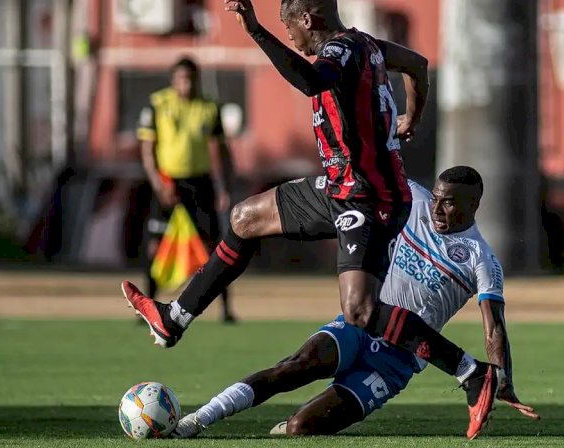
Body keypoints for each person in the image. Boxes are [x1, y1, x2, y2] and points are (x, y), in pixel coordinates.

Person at [123, 0, 498, 437]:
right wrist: (411, 116)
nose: (291, 40)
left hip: (369, 197)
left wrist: (257, 32)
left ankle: (470, 372)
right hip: (339, 187)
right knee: (245, 218)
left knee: (359, 309)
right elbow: (417, 64)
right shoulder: (368, 46)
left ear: (306, 19)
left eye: (289, 29)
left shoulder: (339, 53)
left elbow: (311, 80)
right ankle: (175, 317)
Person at [170, 167, 539, 440]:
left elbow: (494, 327)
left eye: (449, 203)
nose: (438, 208)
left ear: (473, 204)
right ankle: (199, 419)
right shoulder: (413, 201)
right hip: (360, 325)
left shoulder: (481, 259)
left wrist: (502, 378)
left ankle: (296, 423)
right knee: (295, 367)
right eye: (437, 198)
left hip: (396, 362)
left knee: (302, 428)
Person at [136, 57, 236, 323]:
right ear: (173, 80)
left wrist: (222, 188)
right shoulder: (158, 104)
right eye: (181, 79)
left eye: (190, 79)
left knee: (216, 247)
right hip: (167, 183)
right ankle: (148, 305)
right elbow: (147, 150)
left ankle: (225, 308)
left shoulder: (208, 108)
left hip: (200, 184)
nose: (186, 84)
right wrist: (158, 184)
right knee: (155, 246)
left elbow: (218, 151)